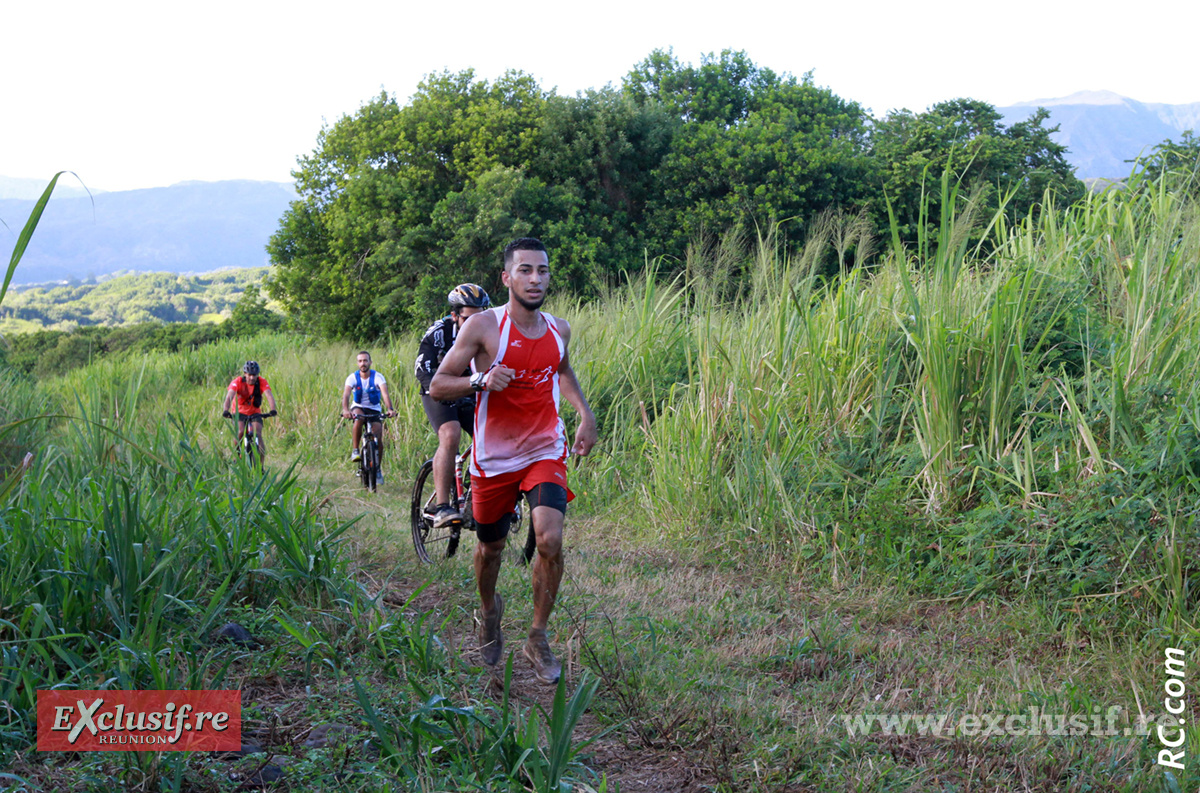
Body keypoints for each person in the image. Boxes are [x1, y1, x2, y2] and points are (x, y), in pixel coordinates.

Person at [430, 238, 597, 684]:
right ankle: (490, 610)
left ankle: (538, 637)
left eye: (542, 271)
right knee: (491, 548)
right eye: (525, 270)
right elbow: (439, 384)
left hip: (544, 447)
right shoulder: (484, 327)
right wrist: (481, 379)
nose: (535, 279)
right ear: (506, 278)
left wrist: (584, 413)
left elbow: (562, 371)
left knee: (550, 539)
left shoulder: (559, 328)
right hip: (494, 456)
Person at [415, 283, 492, 527]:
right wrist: (439, 389)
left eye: (480, 318)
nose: (475, 325)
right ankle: (442, 506)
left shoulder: (492, 331)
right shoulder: (439, 332)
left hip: (472, 389)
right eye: (468, 319)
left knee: (492, 433)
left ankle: (475, 494)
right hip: (439, 390)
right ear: (454, 315)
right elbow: (422, 368)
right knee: (450, 434)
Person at [340, 351, 397, 483]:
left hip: (374, 409)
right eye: (360, 361)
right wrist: (345, 409)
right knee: (358, 418)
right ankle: (355, 451)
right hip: (359, 407)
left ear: (370, 362)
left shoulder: (378, 377)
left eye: (365, 360)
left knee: (378, 437)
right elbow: (346, 395)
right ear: (357, 363)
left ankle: (377, 469)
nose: (363, 363)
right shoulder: (352, 378)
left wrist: (390, 409)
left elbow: (385, 394)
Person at [221, 360, 279, 461]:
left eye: (254, 375)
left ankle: (261, 466)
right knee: (240, 431)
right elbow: (229, 397)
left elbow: (269, 395)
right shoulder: (237, 382)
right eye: (250, 375)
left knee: (258, 433)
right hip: (239, 413)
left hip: (255, 413)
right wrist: (226, 410)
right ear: (245, 374)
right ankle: (237, 455)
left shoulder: (261, 382)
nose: (252, 378)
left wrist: (272, 409)